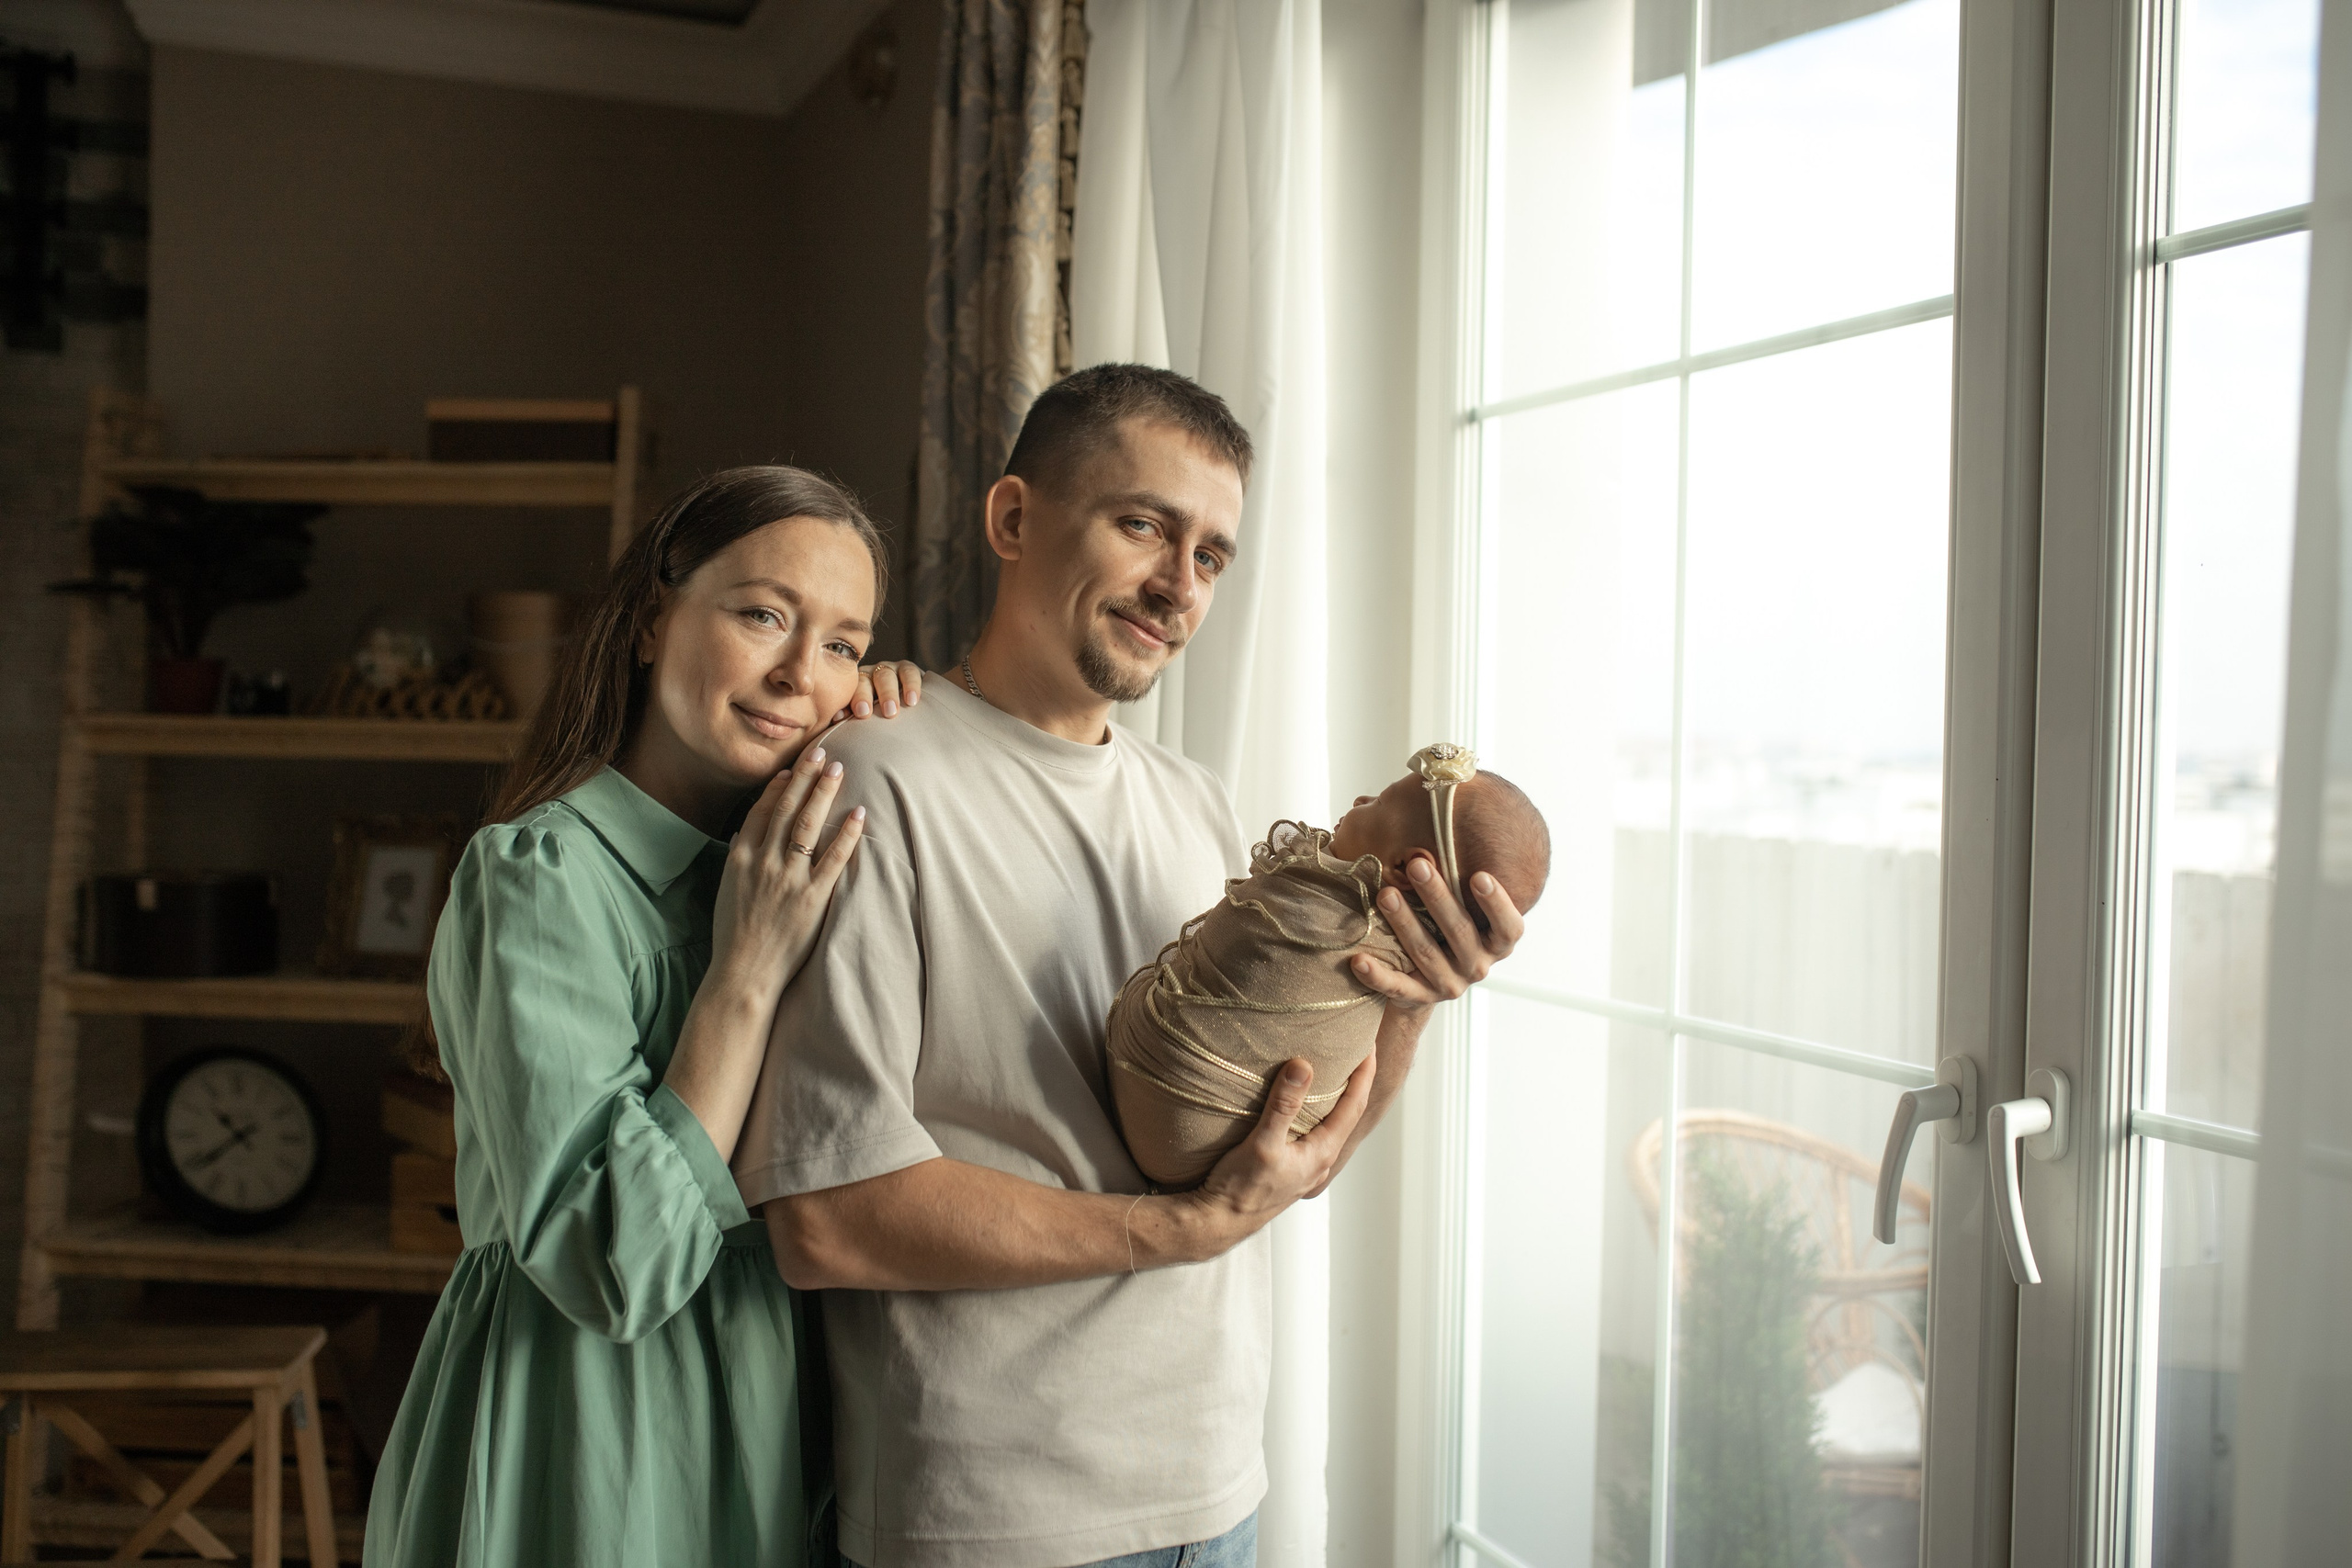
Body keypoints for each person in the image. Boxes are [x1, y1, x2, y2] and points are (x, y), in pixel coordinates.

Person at [732, 365, 1526, 1568]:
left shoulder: (1203, 808)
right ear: (1013, 519)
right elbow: (827, 1218)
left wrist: (1409, 999)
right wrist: (1184, 1226)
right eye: (1144, 523)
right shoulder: (872, 781)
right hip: (995, 1517)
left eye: (1212, 555)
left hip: (1217, 1488)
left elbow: (1278, 1162)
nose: (1178, 584)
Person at [364, 466, 921, 1568]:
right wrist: (745, 972)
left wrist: (910, 741)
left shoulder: (805, 859)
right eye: (763, 613)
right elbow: (613, 1261)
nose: (796, 676)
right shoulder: (536, 873)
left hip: (783, 1410)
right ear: (652, 619)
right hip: (581, 1422)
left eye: (842, 645)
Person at [1107, 747, 1552, 1188]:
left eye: (1379, 800)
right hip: (1183, 1135)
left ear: (1405, 868)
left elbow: (1316, 1173)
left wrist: (1414, 1005)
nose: (1360, 800)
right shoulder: (1346, 929)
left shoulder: (1210, 802)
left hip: (1173, 1106)